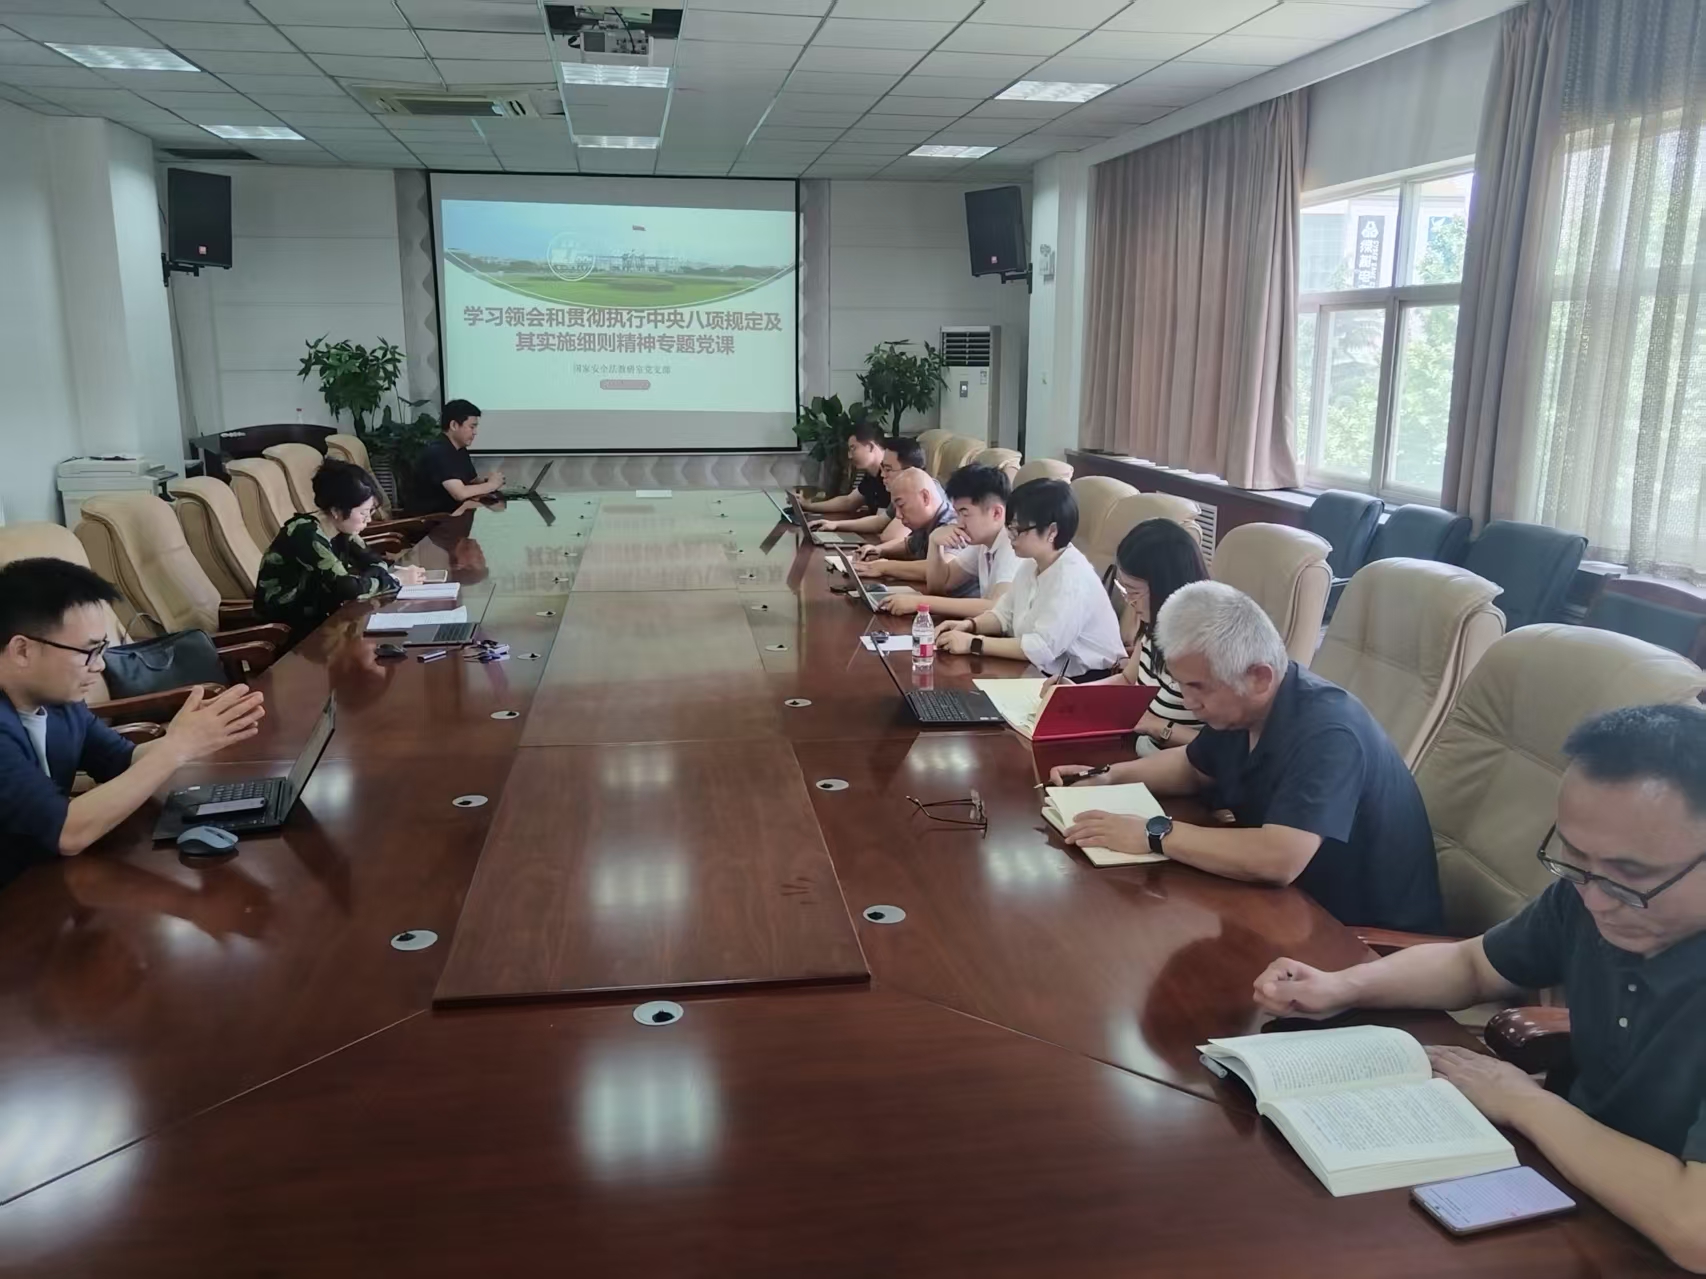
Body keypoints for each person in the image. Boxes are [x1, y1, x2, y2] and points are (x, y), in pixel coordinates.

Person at [1253, 705, 1706, 1273]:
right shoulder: (1588, 893)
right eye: (1574, 859)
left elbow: (1695, 1229)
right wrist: (1343, 985)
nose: (1595, 900)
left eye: (1632, 876)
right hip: (1579, 1185)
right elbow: (1473, 965)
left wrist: (1524, 1103)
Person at [1049, 579, 1442, 933]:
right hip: (1288, 909)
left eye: (1198, 687)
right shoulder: (1245, 709)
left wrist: (1153, 833)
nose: (1188, 701)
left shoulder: (1330, 733)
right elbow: (1193, 766)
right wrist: (1108, 776)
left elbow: (1278, 858)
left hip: (1357, 938)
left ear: (1259, 677)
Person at [0, 558, 267, 882]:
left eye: (102, 649)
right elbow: (68, 833)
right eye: (88, 652)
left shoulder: (59, 704)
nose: (100, 666)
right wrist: (177, 748)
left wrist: (187, 736)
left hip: (45, 876)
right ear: (22, 651)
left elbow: (121, 760)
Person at [933, 478, 1126, 678]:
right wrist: (969, 626)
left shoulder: (1072, 578)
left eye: (1017, 530)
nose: (1010, 536)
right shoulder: (1032, 563)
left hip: (1086, 682)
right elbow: (1004, 614)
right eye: (1009, 527)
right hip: (1040, 672)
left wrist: (973, 643)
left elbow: (1041, 648)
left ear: (1052, 531)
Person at [1051, 518, 1208, 750]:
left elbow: (1226, 749)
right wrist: (1075, 694)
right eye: (1124, 589)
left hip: (1178, 764)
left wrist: (1159, 726)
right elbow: (1127, 679)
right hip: (1141, 747)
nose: (1129, 602)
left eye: (1134, 592)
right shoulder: (1156, 627)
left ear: (1166, 587)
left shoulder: (1207, 648)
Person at [255, 458, 424, 643]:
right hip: (289, 632)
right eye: (363, 513)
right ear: (337, 511)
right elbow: (347, 588)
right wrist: (395, 580)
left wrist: (380, 577)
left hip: (324, 619)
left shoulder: (341, 528)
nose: (368, 520)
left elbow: (375, 561)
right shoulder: (305, 533)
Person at [878, 464, 1018, 619]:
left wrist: (920, 603)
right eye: (958, 514)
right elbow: (942, 586)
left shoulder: (1013, 544)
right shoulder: (982, 543)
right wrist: (935, 544)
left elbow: (997, 607)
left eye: (965, 514)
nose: (959, 523)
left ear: (996, 513)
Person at [817, 436, 945, 546]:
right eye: (882, 469)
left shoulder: (920, 493)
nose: (883, 475)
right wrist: (836, 525)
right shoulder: (904, 491)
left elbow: (890, 537)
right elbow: (880, 521)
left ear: (910, 471)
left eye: (888, 470)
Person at [850, 467, 958, 584]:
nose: (898, 515)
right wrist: (878, 550)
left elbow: (944, 569)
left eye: (901, 505)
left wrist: (885, 567)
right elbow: (908, 545)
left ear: (925, 497)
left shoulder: (952, 525)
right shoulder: (926, 524)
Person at [414, 399, 504, 514]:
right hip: (431, 520)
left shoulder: (460, 449)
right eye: (472, 427)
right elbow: (460, 493)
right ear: (454, 425)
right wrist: (491, 485)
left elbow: (471, 482)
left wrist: (490, 481)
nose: (475, 432)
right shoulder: (438, 452)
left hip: (454, 514)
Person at [799, 421, 888, 520]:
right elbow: (849, 502)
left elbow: (880, 521)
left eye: (853, 448)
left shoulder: (890, 476)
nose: (849, 456)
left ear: (870, 447)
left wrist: (835, 525)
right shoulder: (871, 475)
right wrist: (808, 506)